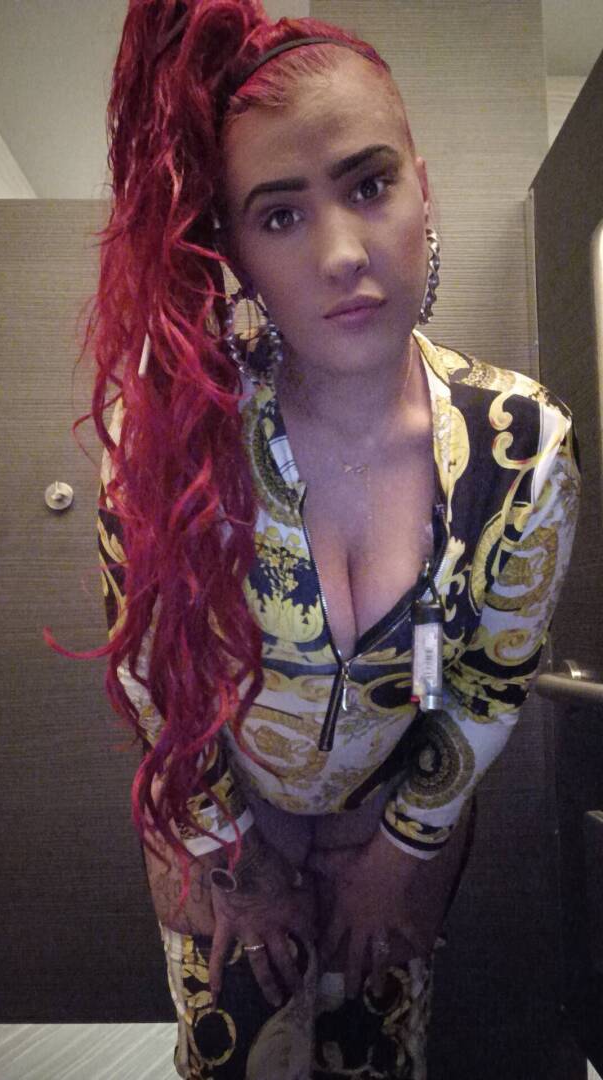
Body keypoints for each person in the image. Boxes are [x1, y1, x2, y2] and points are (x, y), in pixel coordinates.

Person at [93, 2, 580, 1077]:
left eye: (368, 186)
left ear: (422, 188)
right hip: (220, 827)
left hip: (396, 821)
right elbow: (147, 674)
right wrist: (236, 855)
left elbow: (488, 681)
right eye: (279, 214)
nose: (342, 253)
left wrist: (401, 849)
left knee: (378, 1059)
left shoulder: (521, 447)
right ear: (232, 248)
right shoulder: (171, 439)